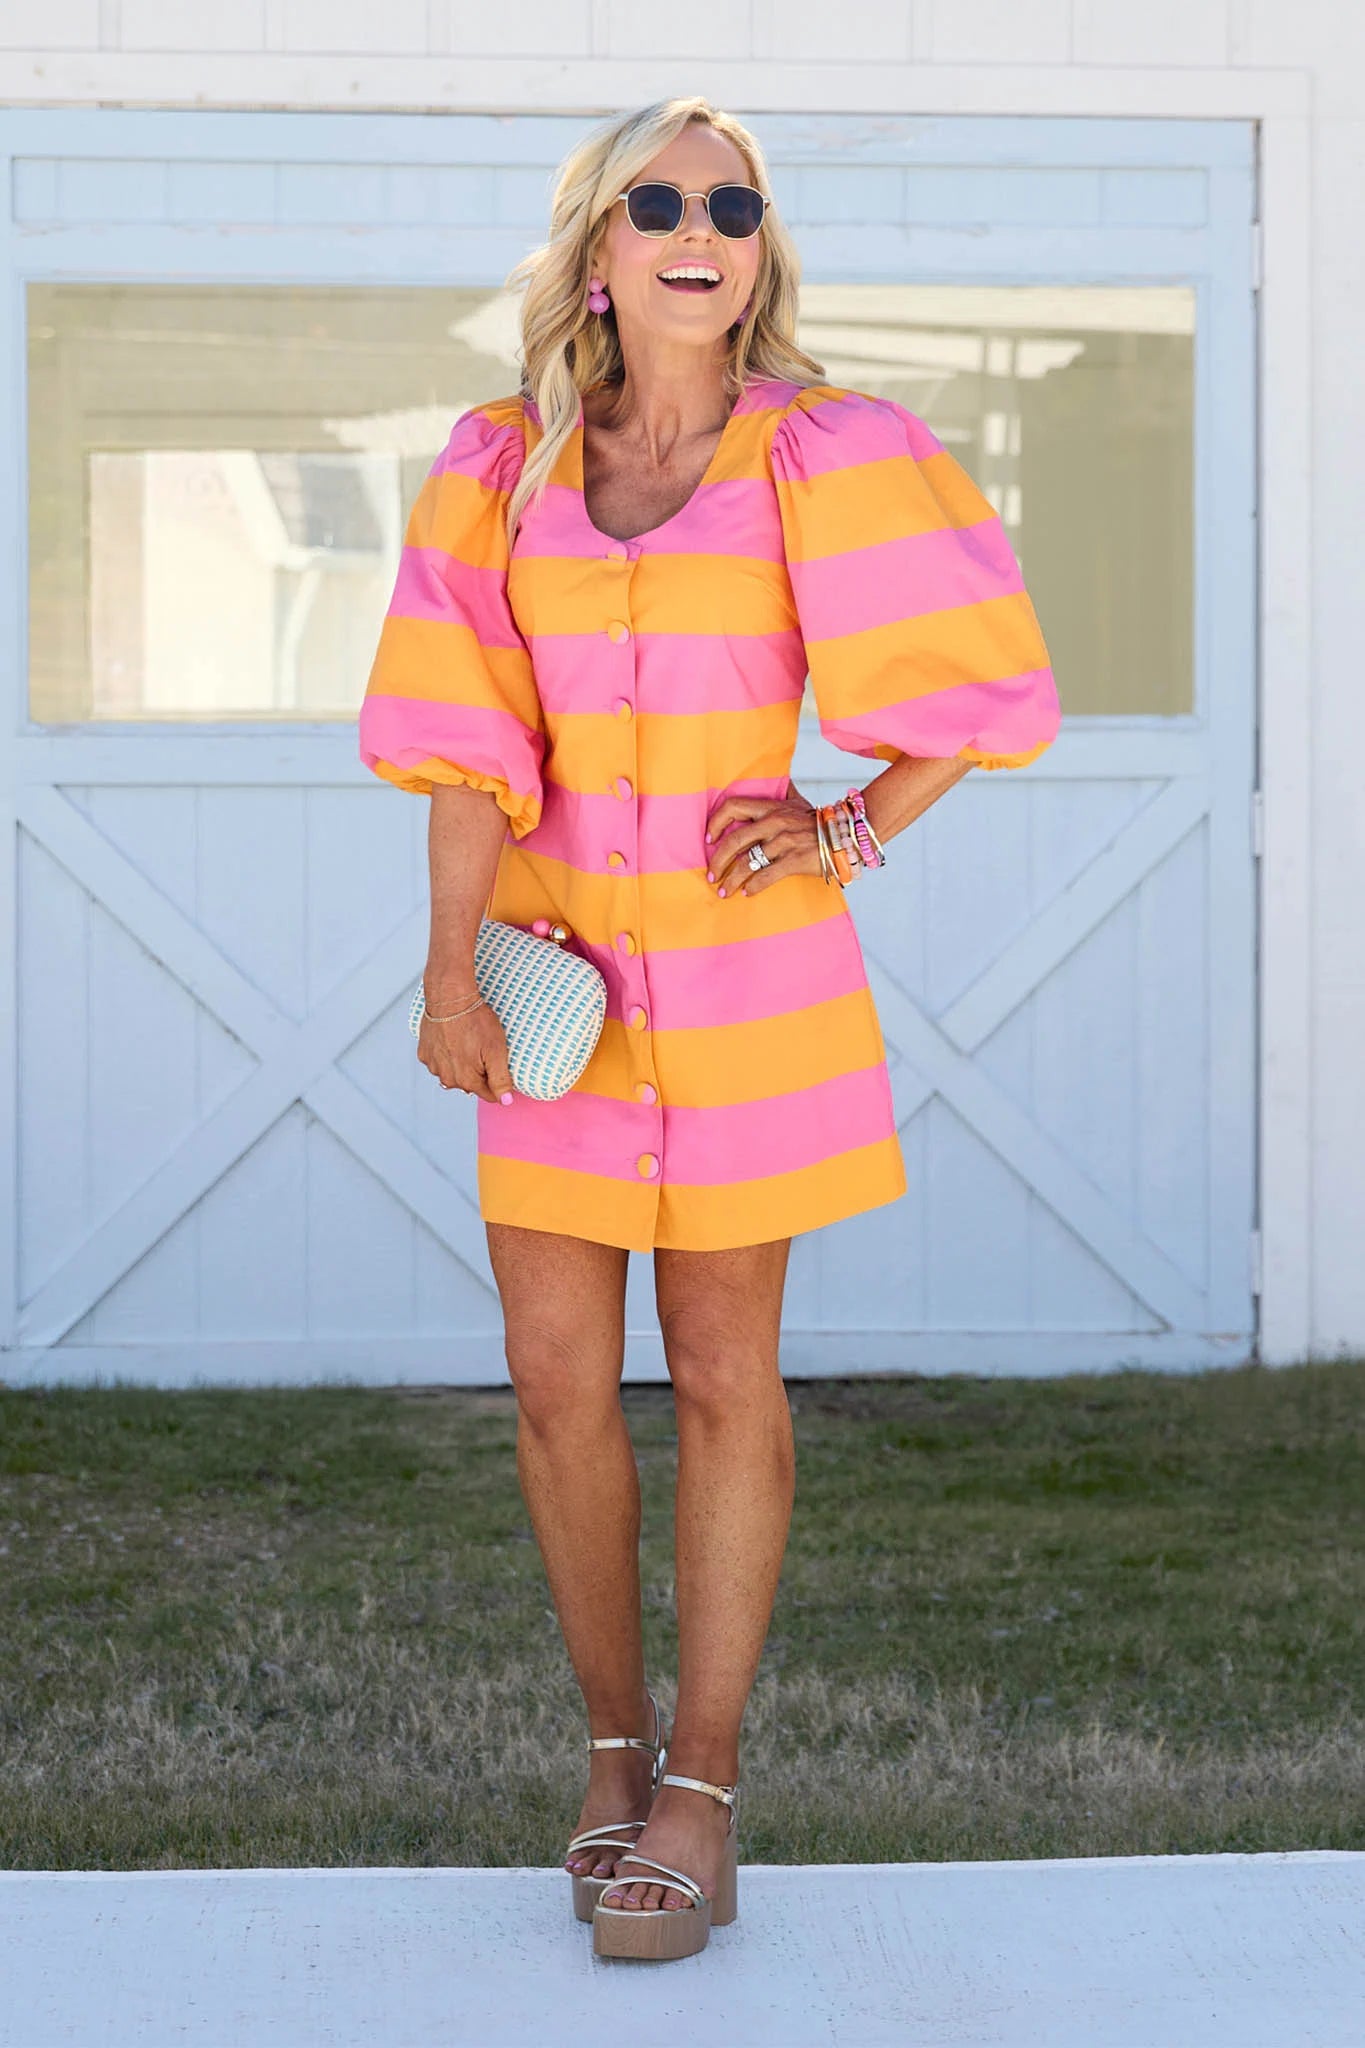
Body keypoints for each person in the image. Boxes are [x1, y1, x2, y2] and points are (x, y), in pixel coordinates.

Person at [358, 95, 1060, 1961]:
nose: (698, 231)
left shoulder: (829, 452)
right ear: (596, 245)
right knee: (552, 1379)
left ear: (760, 252)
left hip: (754, 990)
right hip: (557, 991)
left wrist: (846, 828)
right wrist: (446, 977)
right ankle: (609, 1752)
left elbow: (978, 686)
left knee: (730, 1376)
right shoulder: (499, 463)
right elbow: (462, 748)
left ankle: (704, 1789)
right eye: (658, 201)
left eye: (731, 207)